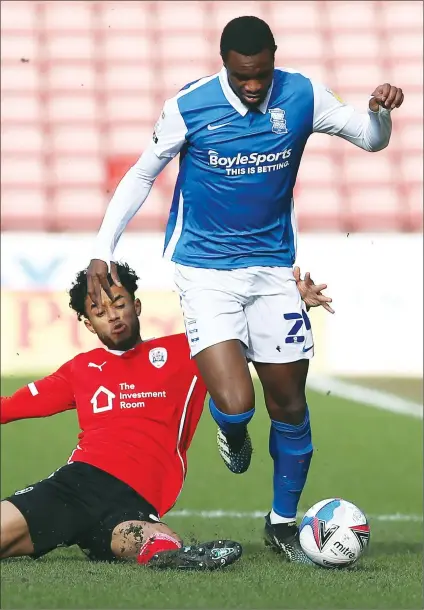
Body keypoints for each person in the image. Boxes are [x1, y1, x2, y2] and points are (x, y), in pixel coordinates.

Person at [85, 16, 404, 564]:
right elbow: (143, 173)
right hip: (204, 271)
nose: (252, 86)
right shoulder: (190, 105)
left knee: (290, 403)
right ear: (224, 63)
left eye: (260, 75)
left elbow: (372, 142)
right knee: (235, 403)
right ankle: (232, 431)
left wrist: (379, 113)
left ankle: (281, 522)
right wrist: (102, 248)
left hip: (274, 271)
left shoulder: (302, 95)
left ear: (273, 59)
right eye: (241, 76)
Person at [0, 263, 243, 570]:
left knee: (151, 540)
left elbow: (242, 330)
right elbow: (8, 407)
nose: (113, 316)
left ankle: (171, 551)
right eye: (99, 313)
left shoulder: (189, 351)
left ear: (136, 305)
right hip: (77, 486)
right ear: (89, 325)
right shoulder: (81, 369)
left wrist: (294, 300)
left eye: (119, 304)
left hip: (134, 503)